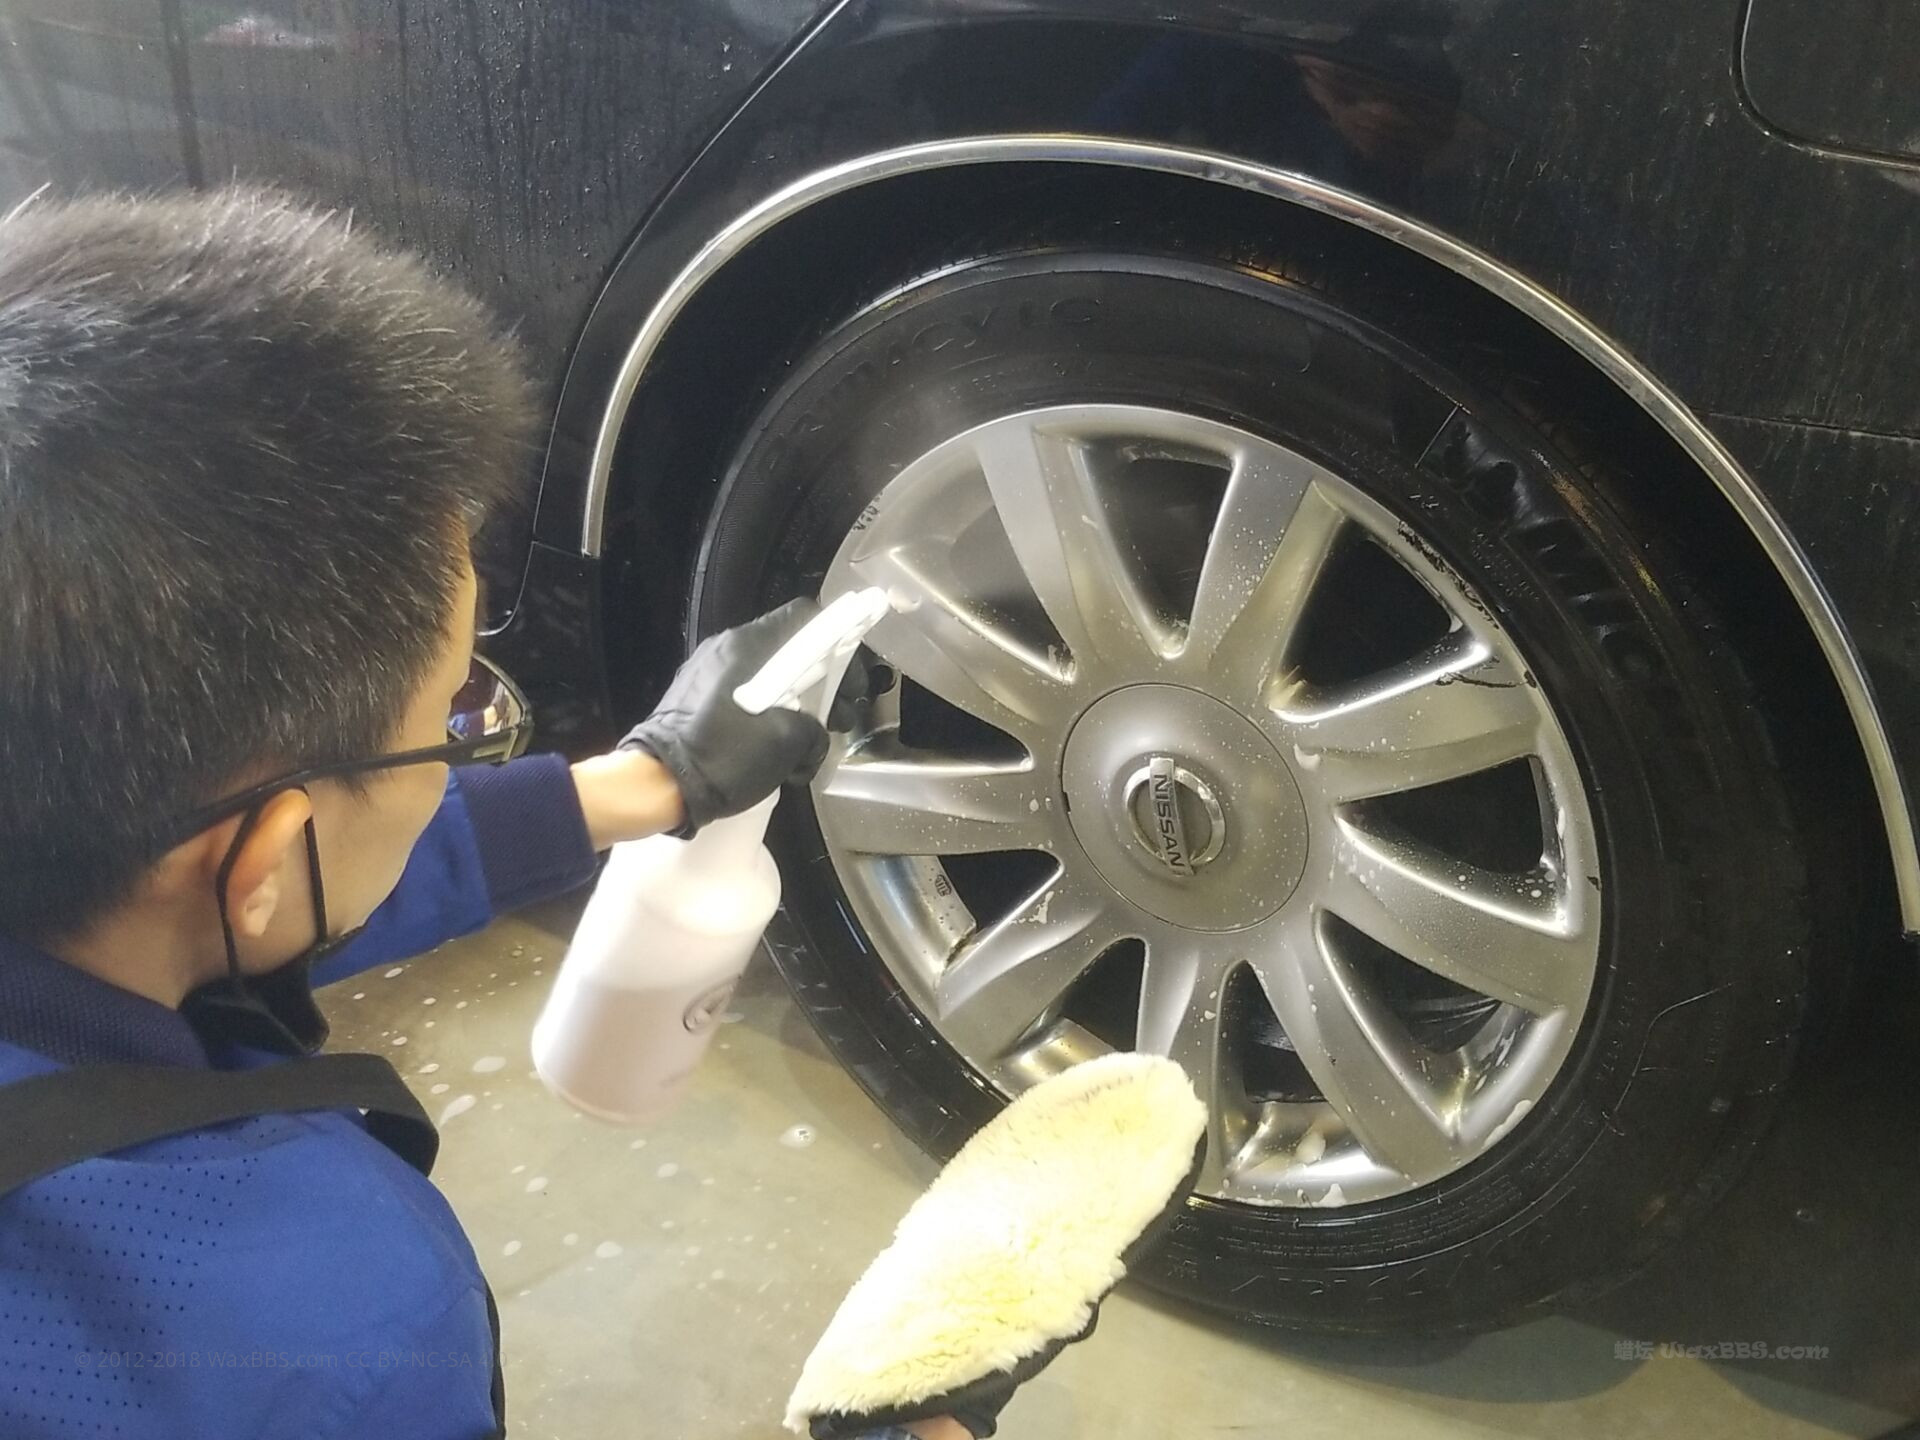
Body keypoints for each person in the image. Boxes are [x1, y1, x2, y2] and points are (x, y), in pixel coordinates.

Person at [0, 190, 973, 1440]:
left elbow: (244, 886)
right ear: (254, 864)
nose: (462, 746)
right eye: (459, 721)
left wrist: (651, 780)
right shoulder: (321, 1339)